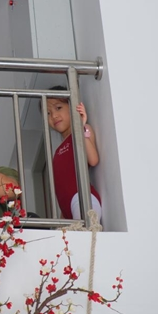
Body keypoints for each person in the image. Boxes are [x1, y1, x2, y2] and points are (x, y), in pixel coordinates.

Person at [45, 85, 102, 221]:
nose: (54, 116)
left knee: (87, 233)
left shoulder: (83, 131)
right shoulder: (58, 150)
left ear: (72, 107)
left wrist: (80, 126)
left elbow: (93, 159)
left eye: (58, 108)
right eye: (47, 113)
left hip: (82, 199)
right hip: (67, 209)